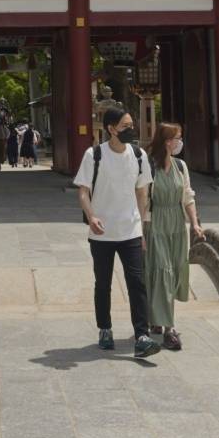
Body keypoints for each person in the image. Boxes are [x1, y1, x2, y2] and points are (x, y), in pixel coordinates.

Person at [76, 103, 161, 358]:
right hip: (102, 232)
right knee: (103, 283)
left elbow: (142, 190)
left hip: (131, 230)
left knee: (137, 282)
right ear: (111, 129)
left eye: (131, 126)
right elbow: (83, 191)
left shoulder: (138, 155)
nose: (130, 130)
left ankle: (142, 335)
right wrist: (91, 217)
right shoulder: (94, 155)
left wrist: (142, 226)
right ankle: (105, 328)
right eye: (125, 126)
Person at [144, 122, 205, 351]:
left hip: (177, 225)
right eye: (177, 137)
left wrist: (195, 224)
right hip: (156, 224)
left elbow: (188, 196)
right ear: (167, 140)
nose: (180, 141)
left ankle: (157, 319)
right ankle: (169, 328)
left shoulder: (181, 166)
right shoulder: (149, 166)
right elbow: (141, 197)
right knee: (162, 272)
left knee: (175, 271)